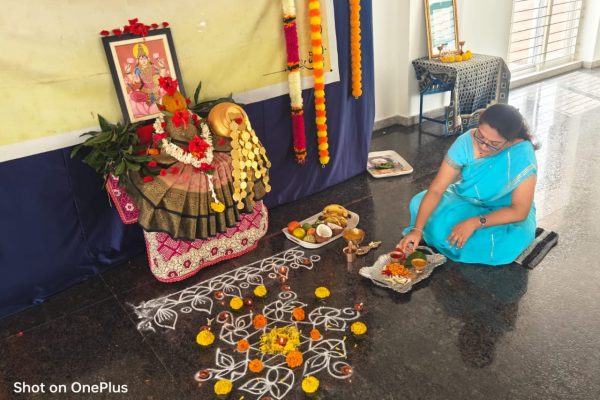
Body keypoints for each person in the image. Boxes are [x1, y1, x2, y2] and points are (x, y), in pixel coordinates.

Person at [399, 104, 538, 265]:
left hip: (504, 210)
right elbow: (437, 189)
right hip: (465, 199)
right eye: (480, 136)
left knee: (509, 241)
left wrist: (474, 223)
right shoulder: (465, 142)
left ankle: (444, 235)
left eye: (493, 143)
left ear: (510, 140)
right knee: (418, 202)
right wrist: (416, 230)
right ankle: (447, 236)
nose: (483, 146)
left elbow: (519, 211)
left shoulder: (522, 154)